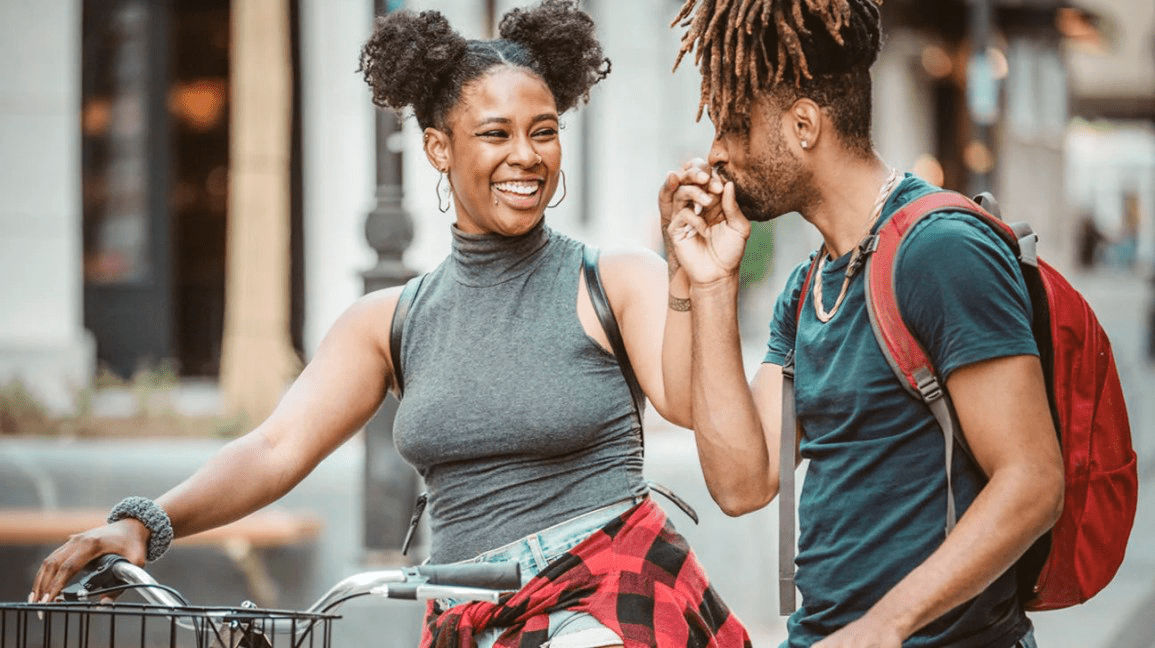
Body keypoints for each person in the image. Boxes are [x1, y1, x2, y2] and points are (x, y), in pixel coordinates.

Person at [31, 2, 751, 647]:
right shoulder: (390, 320)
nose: (526, 156)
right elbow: (276, 446)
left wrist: (694, 279)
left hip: (605, 592)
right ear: (440, 149)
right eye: (494, 133)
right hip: (466, 612)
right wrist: (145, 522)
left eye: (543, 132)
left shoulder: (613, 276)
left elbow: (687, 403)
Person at [658, 1, 1065, 647]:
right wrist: (709, 283)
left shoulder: (939, 249)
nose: (715, 153)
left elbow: (1033, 481)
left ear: (801, 125)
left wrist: (883, 627)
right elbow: (742, 483)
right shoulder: (806, 286)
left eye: (733, 125)